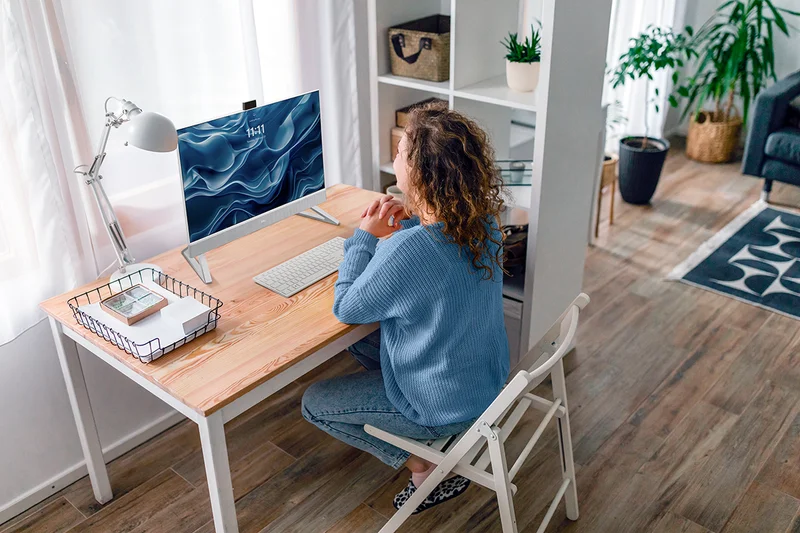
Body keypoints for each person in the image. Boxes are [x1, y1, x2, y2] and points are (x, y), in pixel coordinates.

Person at [302, 102, 510, 514]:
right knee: (361, 346)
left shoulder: (406, 252)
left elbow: (346, 307)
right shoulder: (481, 222)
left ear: (417, 172)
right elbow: (434, 255)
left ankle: (425, 467)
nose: (394, 158)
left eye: (399, 152)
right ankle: (428, 455)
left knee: (314, 402)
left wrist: (363, 237)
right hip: (484, 384)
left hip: (443, 406)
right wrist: (408, 225)